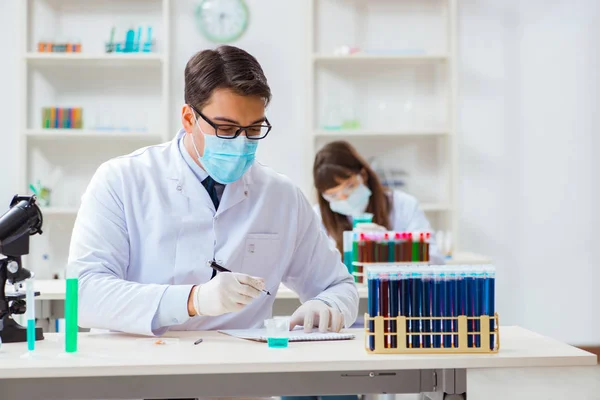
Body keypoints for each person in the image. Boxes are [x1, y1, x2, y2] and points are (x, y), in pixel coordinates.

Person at [68, 46, 358, 341]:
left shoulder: (282, 197)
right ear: (188, 119)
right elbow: (83, 296)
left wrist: (327, 306)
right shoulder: (122, 180)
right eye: (226, 128)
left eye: (254, 129)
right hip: (139, 370)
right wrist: (193, 300)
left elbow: (338, 286)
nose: (241, 142)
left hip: (239, 375)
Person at [312, 140, 444, 264]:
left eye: (349, 186)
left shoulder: (403, 205)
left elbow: (435, 259)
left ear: (363, 175)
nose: (343, 198)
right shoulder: (317, 217)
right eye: (333, 195)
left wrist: (390, 246)